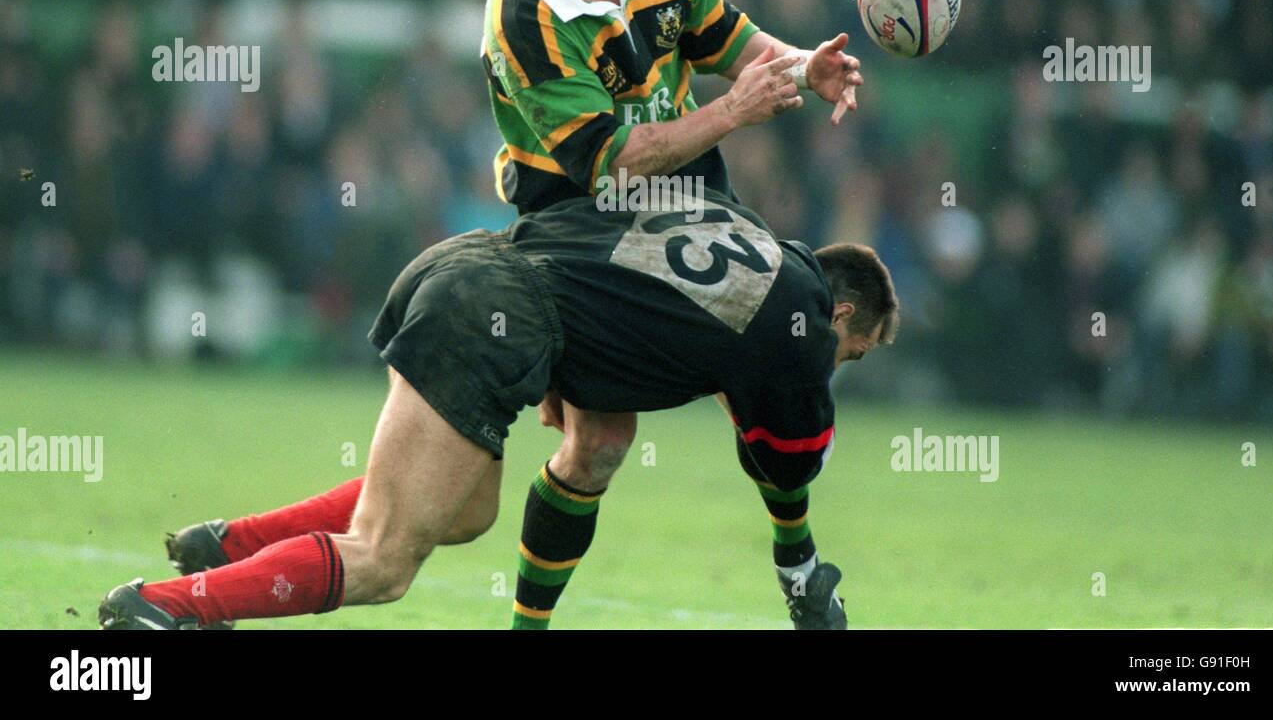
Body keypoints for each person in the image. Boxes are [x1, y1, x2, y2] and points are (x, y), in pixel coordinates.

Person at [99, 188, 899, 631]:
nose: (836, 369)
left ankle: (224, 546)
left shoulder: (741, 233)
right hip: (498, 317)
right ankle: (164, 611)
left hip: (470, 261)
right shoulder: (800, 323)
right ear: (840, 316)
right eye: (849, 354)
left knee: (465, 506)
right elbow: (786, 470)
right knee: (384, 561)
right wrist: (799, 573)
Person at [482, 0, 865, 627]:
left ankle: (796, 560)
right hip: (576, 225)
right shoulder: (524, 11)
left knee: (784, 330)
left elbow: (732, 41)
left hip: (688, 198)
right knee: (600, 445)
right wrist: (731, 112)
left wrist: (806, 66)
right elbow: (609, 165)